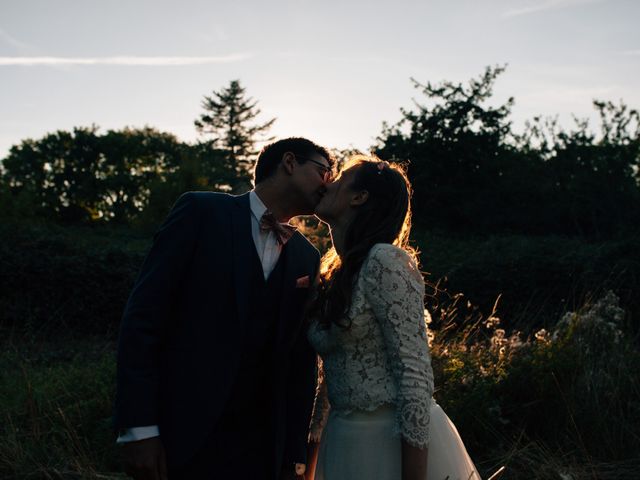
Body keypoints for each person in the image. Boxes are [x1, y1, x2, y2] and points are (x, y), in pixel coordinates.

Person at [113, 137, 334, 480]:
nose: (329, 183)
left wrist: (294, 455)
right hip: (181, 435)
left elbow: (299, 364)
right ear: (289, 162)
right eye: (323, 171)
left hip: (260, 450)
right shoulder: (200, 212)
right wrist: (138, 429)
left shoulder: (307, 256)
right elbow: (144, 319)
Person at [306, 156, 481, 480]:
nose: (328, 183)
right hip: (342, 443)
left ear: (359, 197)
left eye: (341, 177)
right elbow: (331, 372)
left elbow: (414, 374)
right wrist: (311, 455)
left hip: (387, 444)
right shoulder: (336, 273)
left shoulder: (385, 261)